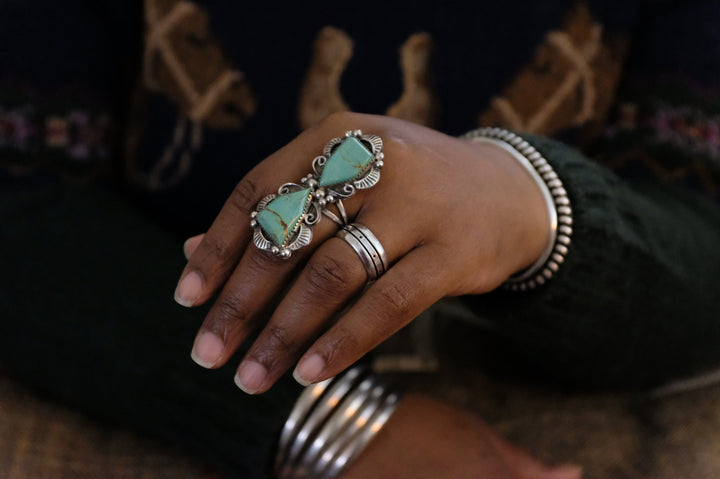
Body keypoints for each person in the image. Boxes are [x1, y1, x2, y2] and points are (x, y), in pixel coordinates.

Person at [1, 0, 719, 477]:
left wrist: (531, 205)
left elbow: (701, 244)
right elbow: (23, 199)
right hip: (141, 371)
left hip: (583, 395)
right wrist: (334, 426)